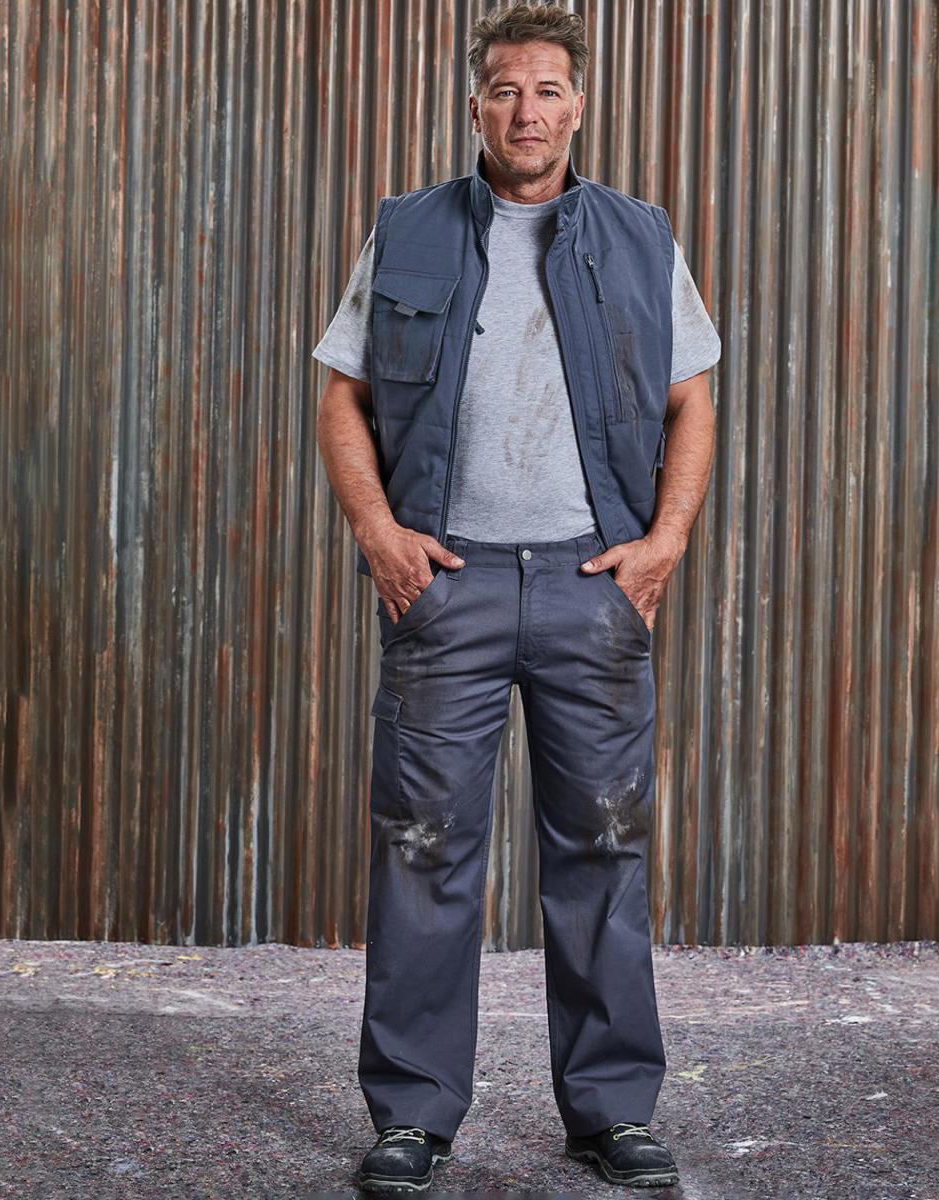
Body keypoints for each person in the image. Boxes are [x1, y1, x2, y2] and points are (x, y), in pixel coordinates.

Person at [312, 4, 720, 1191]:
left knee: (602, 848)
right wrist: (379, 534)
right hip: (448, 589)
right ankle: (412, 1115)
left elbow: (692, 400)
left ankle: (611, 1112)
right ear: (475, 106)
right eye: (504, 90)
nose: (525, 110)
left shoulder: (641, 238)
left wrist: (661, 546)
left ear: (576, 106)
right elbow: (341, 395)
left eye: (546, 90)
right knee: (422, 849)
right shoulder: (407, 230)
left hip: (594, 586)